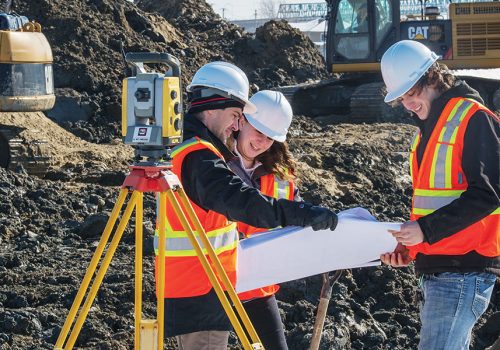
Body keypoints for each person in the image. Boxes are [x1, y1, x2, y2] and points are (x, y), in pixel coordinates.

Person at [155, 61, 339, 350]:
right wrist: (300, 214)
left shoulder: (198, 151)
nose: (236, 124)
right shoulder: (198, 156)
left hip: (223, 285)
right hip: (204, 287)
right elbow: (239, 200)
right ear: (214, 106)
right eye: (236, 115)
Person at [379, 40, 499, 349]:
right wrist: (412, 247)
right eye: (402, 98)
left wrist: (425, 231)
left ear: (433, 78)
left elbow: (489, 194)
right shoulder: (431, 129)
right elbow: (433, 201)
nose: (408, 105)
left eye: (412, 93)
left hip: (462, 273)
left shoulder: (472, 117)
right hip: (443, 271)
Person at [226, 90, 296, 350]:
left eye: (270, 137)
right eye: (258, 131)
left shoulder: (279, 174)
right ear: (242, 121)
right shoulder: (213, 162)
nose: (261, 141)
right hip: (214, 283)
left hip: (256, 285)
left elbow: (292, 216)